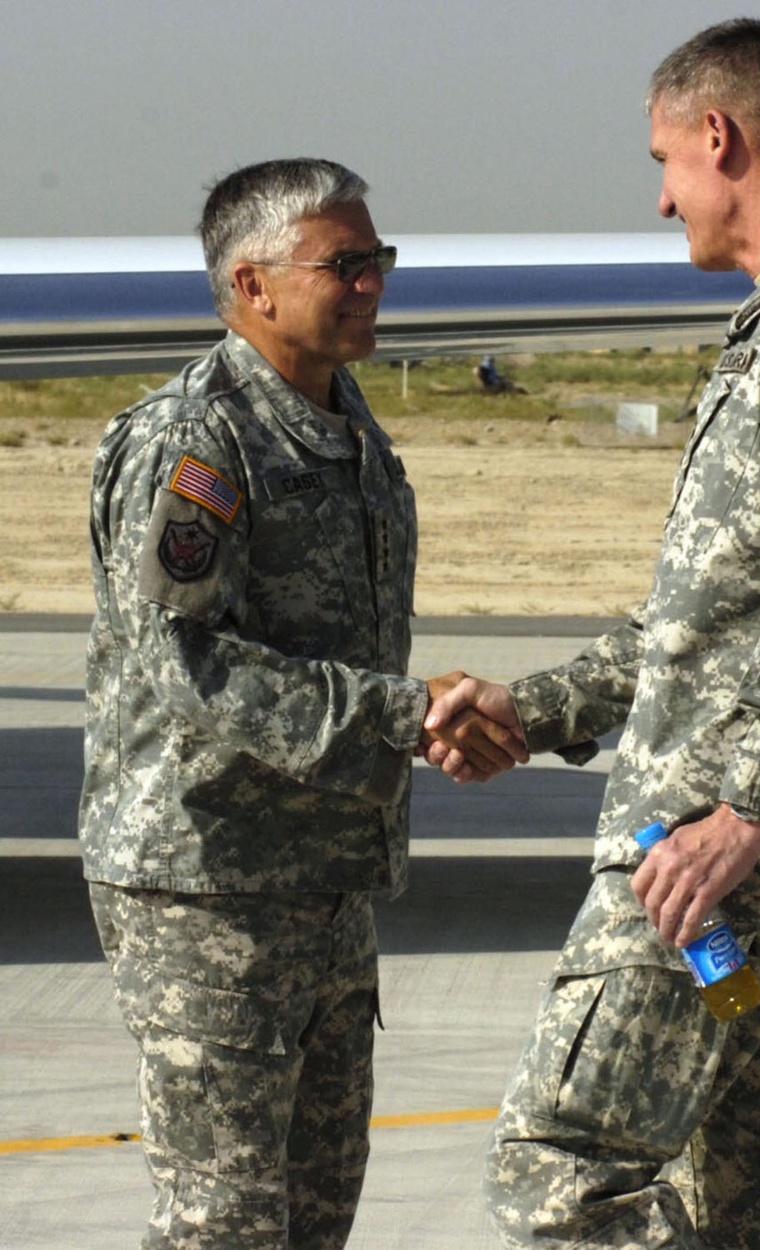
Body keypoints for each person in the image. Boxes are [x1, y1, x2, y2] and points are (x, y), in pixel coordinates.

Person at [424, 20, 760, 1249]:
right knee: (737, 1184)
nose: (663, 199)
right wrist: (539, 709)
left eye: (663, 159)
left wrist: (743, 814)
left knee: (559, 1173)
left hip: (719, 870)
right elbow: (711, 615)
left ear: (719, 138)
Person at [78, 157, 526, 1250]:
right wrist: (400, 713)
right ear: (254, 284)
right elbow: (188, 663)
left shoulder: (345, 425)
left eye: (379, 260)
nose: (372, 282)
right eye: (346, 263)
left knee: (318, 1201)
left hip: (322, 882)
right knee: (224, 1219)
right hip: (209, 887)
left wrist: (416, 718)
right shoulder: (198, 442)